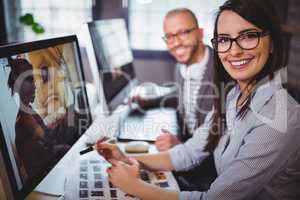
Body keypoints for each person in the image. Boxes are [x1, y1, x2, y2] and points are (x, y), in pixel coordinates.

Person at [96, 0, 300, 199]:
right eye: (224, 39)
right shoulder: (232, 96)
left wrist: (136, 187)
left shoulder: (278, 119)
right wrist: (125, 157)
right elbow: (189, 153)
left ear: (271, 42)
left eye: (248, 36)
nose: (235, 51)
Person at [132, 8, 215, 152]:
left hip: (208, 163)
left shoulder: (221, 69)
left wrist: (181, 147)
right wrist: (149, 101)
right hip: (186, 145)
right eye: (169, 36)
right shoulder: (180, 67)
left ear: (200, 33)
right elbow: (180, 94)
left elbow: (221, 138)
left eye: (183, 33)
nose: (176, 43)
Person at [7, 57, 69, 182]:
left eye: (34, 80)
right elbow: (49, 141)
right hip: (44, 178)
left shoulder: (29, 111)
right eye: (29, 80)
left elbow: (47, 138)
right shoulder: (24, 117)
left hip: (49, 171)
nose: (35, 86)